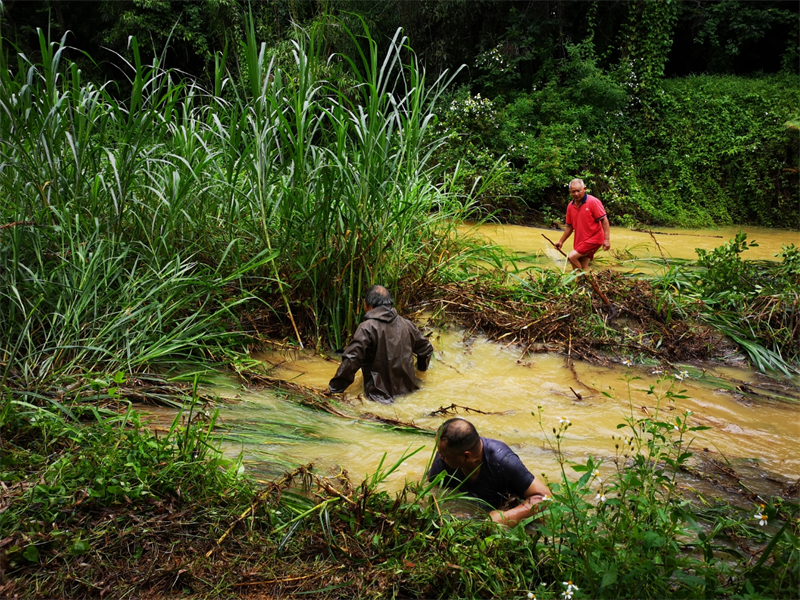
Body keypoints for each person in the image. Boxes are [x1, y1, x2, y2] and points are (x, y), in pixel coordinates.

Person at [427, 418, 551, 527]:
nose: (439, 456)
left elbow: (546, 498)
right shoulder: (444, 460)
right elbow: (433, 490)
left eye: (444, 455)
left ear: (466, 456)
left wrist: (508, 517)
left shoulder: (503, 461)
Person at [328, 285, 434, 404]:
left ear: (368, 304)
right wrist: (420, 370)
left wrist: (334, 390)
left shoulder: (367, 328)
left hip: (379, 399)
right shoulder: (407, 325)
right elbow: (426, 349)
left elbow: (352, 360)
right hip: (411, 393)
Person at [554, 179, 611, 271]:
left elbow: (604, 220)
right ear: (570, 192)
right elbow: (569, 226)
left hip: (594, 239)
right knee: (582, 267)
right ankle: (582, 282)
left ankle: (580, 278)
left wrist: (607, 240)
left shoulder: (593, 202)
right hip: (580, 240)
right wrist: (561, 241)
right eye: (573, 191)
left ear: (584, 189)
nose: (576, 194)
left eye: (578, 191)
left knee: (572, 257)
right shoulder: (570, 206)